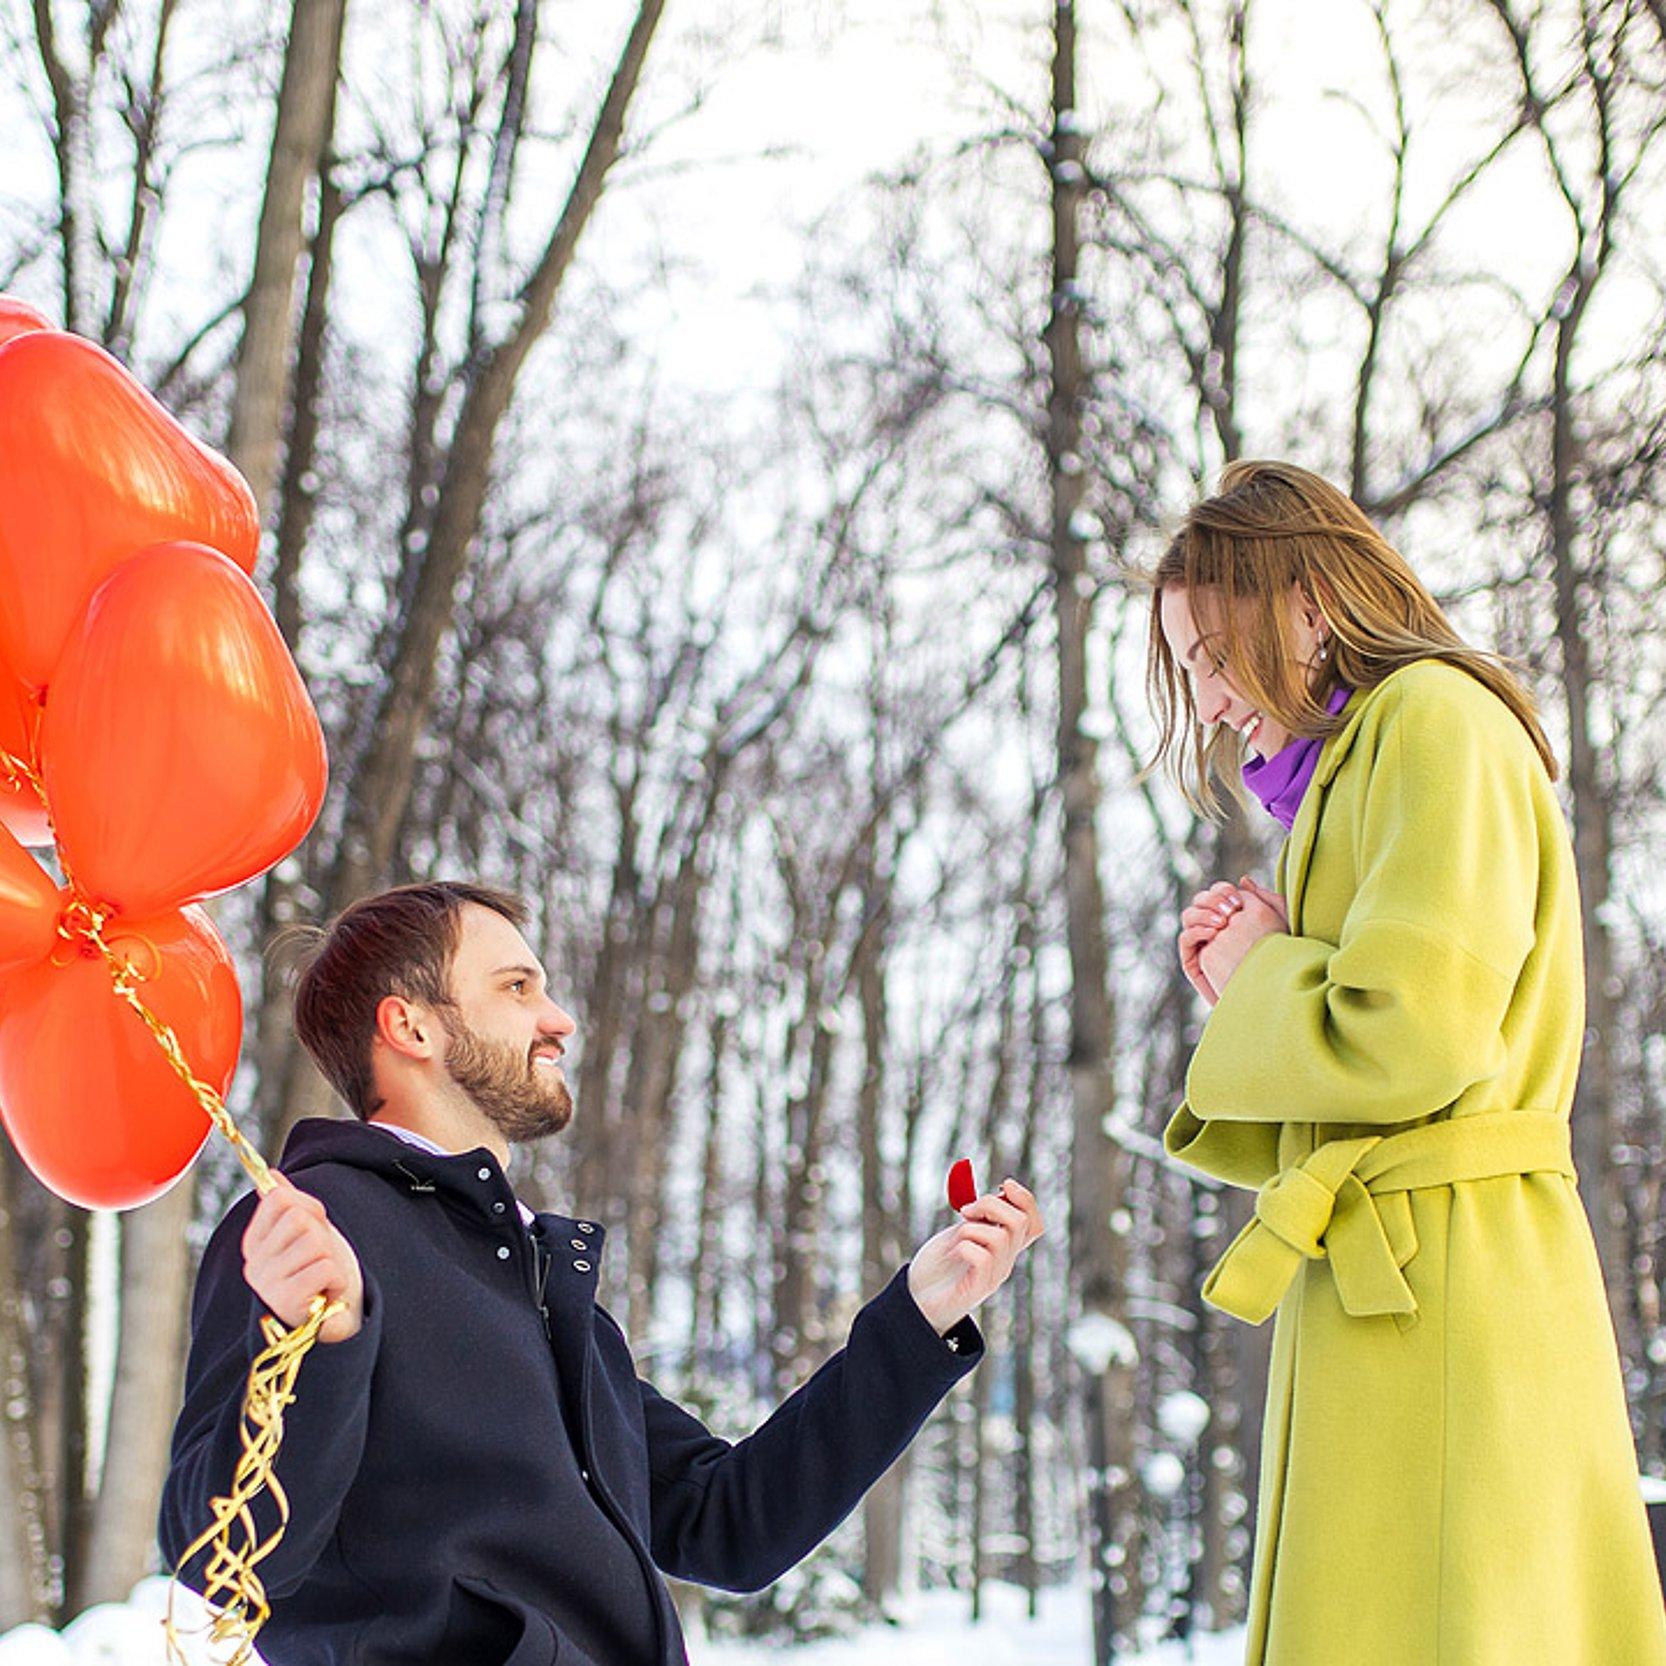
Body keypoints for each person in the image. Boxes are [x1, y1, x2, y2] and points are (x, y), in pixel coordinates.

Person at [159, 882, 1043, 1666]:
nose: (559, 1018)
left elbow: (728, 1523)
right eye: (516, 986)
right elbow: (221, 1559)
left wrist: (917, 1317)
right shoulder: (313, 1233)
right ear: (411, 1025)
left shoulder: (532, 1276)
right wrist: (324, 1348)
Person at [1147, 460, 1666, 1666]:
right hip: (1400, 1277)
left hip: (1449, 1283)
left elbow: (1409, 1038)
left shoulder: (1434, 721)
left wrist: (1258, 975)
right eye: (1189, 669)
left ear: (1308, 602)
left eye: (1213, 653)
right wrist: (1257, 971)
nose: (1210, 699)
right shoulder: (1362, 760)